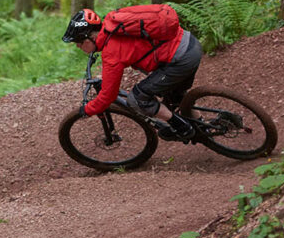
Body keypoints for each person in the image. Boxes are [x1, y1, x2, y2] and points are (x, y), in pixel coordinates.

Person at [62, 8, 202, 142]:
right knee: (175, 97)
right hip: (189, 42)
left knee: (137, 98)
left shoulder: (111, 53)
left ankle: (182, 128)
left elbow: (108, 96)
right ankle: (201, 127)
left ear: (88, 40)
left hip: (181, 59)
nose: (78, 47)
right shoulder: (115, 23)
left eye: (78, 44)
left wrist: (86, 110)